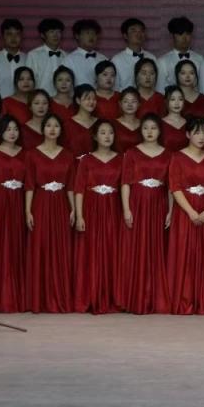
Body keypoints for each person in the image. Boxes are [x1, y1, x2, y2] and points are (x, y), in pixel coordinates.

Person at [118, 114, 172, 314]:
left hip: (159, 204)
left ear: (160, 131)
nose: (150, 132)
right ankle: (135, 297)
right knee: (137, 248)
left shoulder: (168, 154)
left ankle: (156, 298)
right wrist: (126, 209)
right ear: (140, 131)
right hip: (137, 204)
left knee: (157, 248)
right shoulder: (131, 153)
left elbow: (171, 186)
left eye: (154, 128)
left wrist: (171, 210)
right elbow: (126, 183)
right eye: (146, 128)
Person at [167, 117, 204, 315]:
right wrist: (190, 211)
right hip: (185, 212)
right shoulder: (177, 158)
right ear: (188, 134)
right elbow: (175, 188)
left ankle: (203, 300)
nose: (201, 137)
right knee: (185, 253)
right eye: (197, 132)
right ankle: (184, 300)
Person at [25, 114, 76, 313]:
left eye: (56, 126)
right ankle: (40, 299)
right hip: (41, 203)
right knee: (42, 247)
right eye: (48, 125)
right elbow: (30, 184)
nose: (52, 129)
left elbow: (70, 185)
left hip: (61, 204)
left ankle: (61, 297)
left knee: (61, 249)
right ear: (42, 129)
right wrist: (28, 210)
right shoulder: (32, 154)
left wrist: (73, 208)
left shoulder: (68, 155)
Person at [73, 119, 123, 314]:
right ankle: (91, 296)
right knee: (91, 251)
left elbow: (125, 187)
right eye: (102, 132)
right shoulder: (86, 160)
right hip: (92, 208)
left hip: (113, 208)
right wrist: (79, 215)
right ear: (95, 136)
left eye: (110, 132)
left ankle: (113, 296)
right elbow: (79, 189)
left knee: (112, 250)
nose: (107, 136)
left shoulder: (121, 159)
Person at [0, 116, 28, 313]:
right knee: (1, 247)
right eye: (8, 129)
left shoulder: (25, 154)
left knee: (18, 246)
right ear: (1, 131)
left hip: (19, 202)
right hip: (1, 203)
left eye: (15, 129)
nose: (12, 133)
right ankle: (0, 297)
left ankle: (18, 296)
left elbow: (30, 184)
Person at [158, 16, 203, 94]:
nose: (184, 38)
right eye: (180, 34)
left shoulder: (200, 59)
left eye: (188, 34)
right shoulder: (162, 62)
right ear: (172, 36)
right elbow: (160, 90)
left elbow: (202, 87)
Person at [111, 18, 158, 90]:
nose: (139, 34)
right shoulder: (116, 60)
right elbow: (114, 88)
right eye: (134, 30)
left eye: (141, 31)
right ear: (125, 35)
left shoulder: (152, 57)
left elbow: (156, 85)